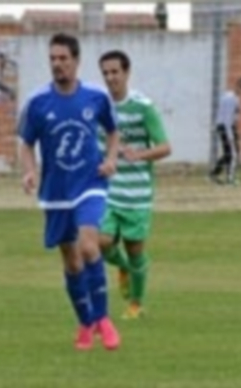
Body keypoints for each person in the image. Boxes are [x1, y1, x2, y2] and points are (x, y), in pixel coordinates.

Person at [18, 33, 122, 351]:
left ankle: (104, 321)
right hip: (56, 190)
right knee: (71, 260)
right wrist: (30, 170)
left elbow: (113, 131)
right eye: (53, 59)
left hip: (90, 184)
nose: (57, 64)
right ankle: (85, 322)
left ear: (76, 61)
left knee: (89, 246)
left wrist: (110, 159)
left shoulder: (95, 96)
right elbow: (26, 142)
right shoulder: (38, 103)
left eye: (63, 58)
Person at [97, 50, 171, 320]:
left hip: (137, 193)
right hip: (108, 189)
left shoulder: (143, 106)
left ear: (126, 73)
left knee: (135, 248)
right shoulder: (100, 105)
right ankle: (123, 267)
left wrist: (138, 155)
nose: (110, 77)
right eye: (105, 73)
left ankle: (136, 304)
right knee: (101, 241)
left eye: (115, 72)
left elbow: (164, 147)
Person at [209, 77, 241, 185]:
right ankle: (230, 178)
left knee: (228, 154)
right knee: (234, 153)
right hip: (226, 127)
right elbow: (226, 118)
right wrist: (230, 135)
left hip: (227, 127)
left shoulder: (233, 97)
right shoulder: (230, 99)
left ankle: (214, 174)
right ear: (238, 86)